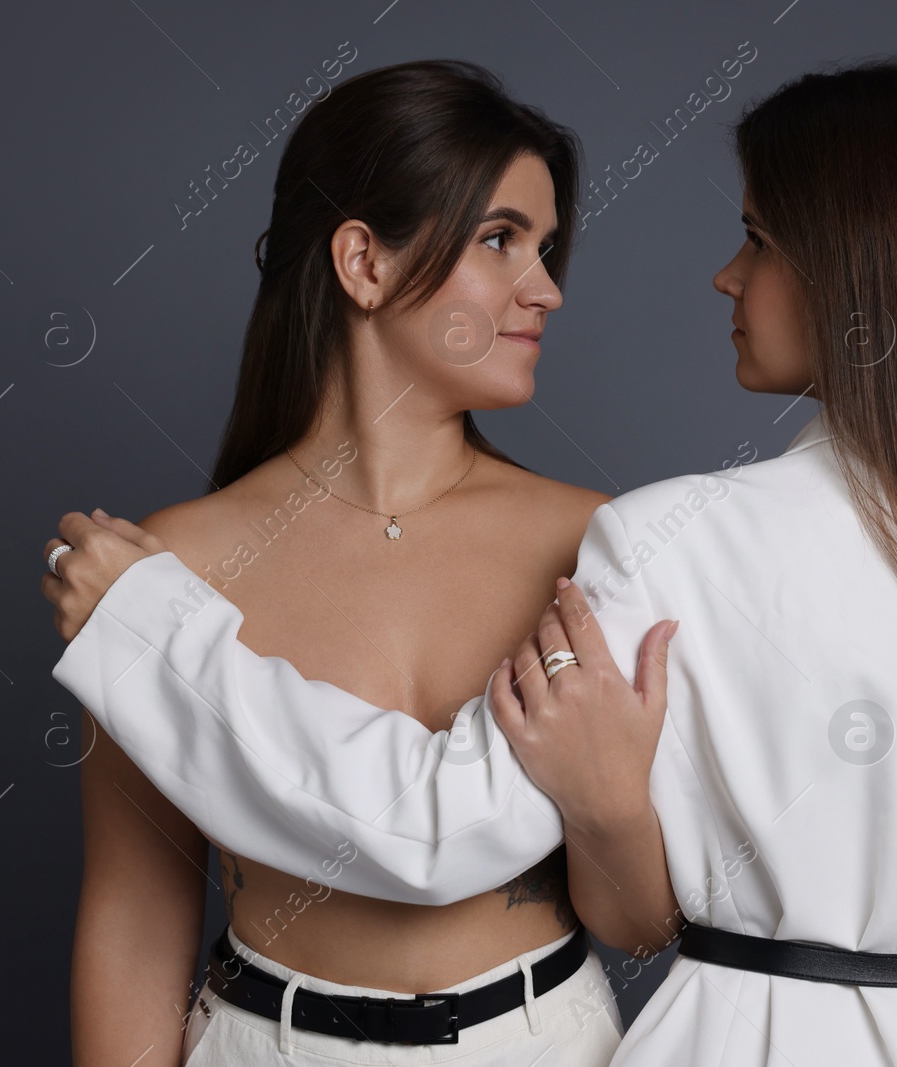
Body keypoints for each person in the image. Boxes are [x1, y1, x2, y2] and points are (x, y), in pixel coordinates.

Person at [47, 57, 897, 1066]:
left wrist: (149, 629)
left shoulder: (668, 539)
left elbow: (430, 829)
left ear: (853, 274)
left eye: (756, 238)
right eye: (501, 239)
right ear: (359, 263)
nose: (721, 274)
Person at [44, 60, 630, 1066]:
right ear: (363, 262)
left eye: (545, 247)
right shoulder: (173, 564)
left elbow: (635, 910)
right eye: (501, 240)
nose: (547, 289)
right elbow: (135, 916)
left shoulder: (592, 543)